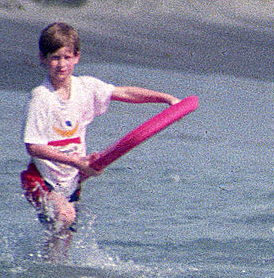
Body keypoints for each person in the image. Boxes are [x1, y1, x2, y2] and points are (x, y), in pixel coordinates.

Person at [22, 22, 179, 242]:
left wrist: (166, 99)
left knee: (62, 242)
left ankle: (44, 273)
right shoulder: (41, 97)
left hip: (71, 179)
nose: (61, 65)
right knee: (65, 216)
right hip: (41, 178)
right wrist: (78, 163)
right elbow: (33, 146)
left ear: (77, 57)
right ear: (43, 58)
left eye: (67, 57)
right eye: (55, 57)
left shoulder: (86, 87)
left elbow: (125, 93)